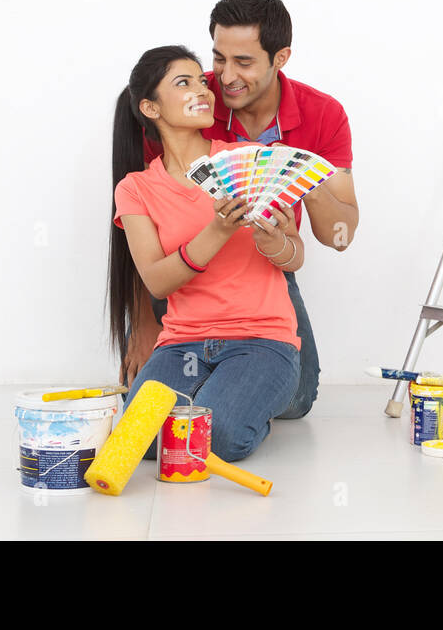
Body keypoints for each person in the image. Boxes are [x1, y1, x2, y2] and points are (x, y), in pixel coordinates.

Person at [121, 0, 358, 424]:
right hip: (185, 286)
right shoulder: (187, 101)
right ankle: (216, 387)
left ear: (280, 58)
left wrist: (301, 171)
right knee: (147, 428)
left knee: (298, 397)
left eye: (244, 63)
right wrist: (141, 329)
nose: (224, 78)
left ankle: (237, 385)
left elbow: (339, 235)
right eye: (218, 59)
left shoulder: (323, 115)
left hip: (261, 271)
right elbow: (147, 232)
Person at [109, 45, 305, 462]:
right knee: (138, 441)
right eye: (184, 83)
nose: (204, 90)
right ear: (150, 107)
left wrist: (276, 244)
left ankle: (249, 405)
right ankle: (216, 402)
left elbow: (295, 256)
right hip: (183, 344)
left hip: (262, 341)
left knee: (220, 437)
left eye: (202, 80)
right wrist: (217, 230)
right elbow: (158, 281)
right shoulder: (135, 189)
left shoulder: (247, 161)